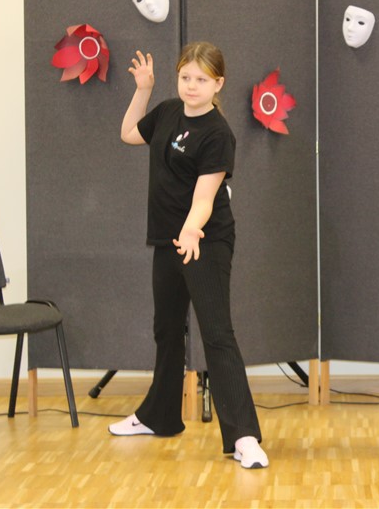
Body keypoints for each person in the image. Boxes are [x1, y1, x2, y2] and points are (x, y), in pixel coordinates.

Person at [109, 42, 268, 470]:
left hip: (205, 241)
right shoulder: (166, 112)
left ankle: (244, 436)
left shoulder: (218, 134)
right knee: (166, 329)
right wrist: (143, 89)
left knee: (217, 334)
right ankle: (158, 416)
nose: (191, 86)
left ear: (218, 84)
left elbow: (205, 196)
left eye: (201, 79)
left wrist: (192, 228)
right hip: (168, 239)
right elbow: (129, 133)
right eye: (185, 77)